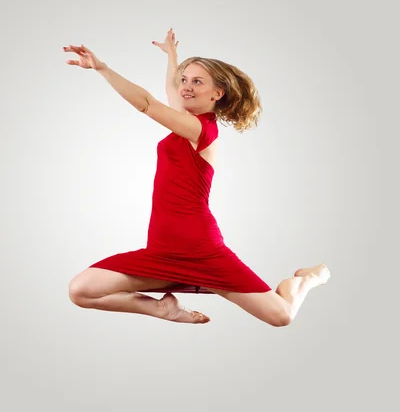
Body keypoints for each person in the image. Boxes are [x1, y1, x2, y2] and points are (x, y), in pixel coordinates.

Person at [66, 29, 330, 326]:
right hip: (162, 250)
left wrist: (102, 68)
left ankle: (305, 280)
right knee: (81, 291)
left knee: (282, 316)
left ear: (217, 94)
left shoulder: (201, 130)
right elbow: (170, 91)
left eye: (197, 82)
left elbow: (147, 104)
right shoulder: (186, 122)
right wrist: (173, 58)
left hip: (201, 248)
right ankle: (161, 309)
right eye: (185, 81)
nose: (186, 87)